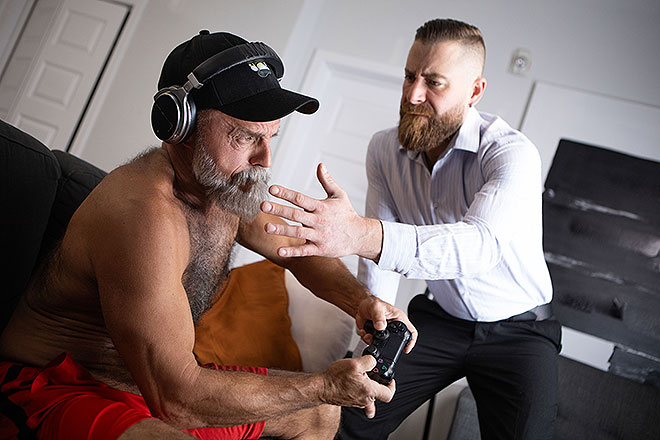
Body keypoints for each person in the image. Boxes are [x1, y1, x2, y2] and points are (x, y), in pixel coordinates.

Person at [0, 30, 417, 440]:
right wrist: (323, 385)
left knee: (319, 415)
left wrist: (360, 301)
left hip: (145, 386)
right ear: (180, 125)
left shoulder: (223, 188)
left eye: (270, 136)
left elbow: (295, 247)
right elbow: (178, 400)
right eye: (246, 136)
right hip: (56, 386)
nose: (265, 159)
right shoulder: (142, 215)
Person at [260, 18, 562, 439]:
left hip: (521, 330)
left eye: (433, 83)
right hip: (440, 320)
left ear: (474, 91)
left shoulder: (511, 154)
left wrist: (359, 233)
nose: (413, 95)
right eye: (408, 76)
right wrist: (372, 340)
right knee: (348, 417)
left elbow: (480, 247)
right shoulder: (384, 150)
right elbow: (379, 266)